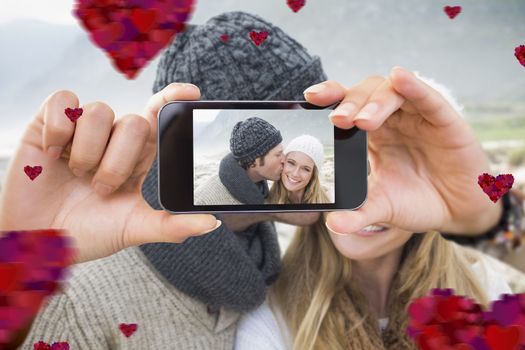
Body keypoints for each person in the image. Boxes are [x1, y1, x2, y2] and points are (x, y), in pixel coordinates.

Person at [1, 11, 325, 349]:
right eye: (303, 114)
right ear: (254, 160)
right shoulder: (81, 302)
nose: (296, 155)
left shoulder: (278, 275)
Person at [234, 68, 514, 350]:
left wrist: (485, 220)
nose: (366, 203)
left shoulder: (485, 290)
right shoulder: (271, 316)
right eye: (353, 173)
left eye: (390, 175)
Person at [194, 117, 285, 206]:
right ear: (254, 161)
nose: (284, 160)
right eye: (278, 154)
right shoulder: (203, 202)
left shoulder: (262, 188)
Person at [267, 134, 329, 204]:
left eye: (305, 169)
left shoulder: (329, 203)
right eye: (291, 163)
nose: (295, 174)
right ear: (283, 162)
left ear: (313, 175)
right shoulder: (265, 202)